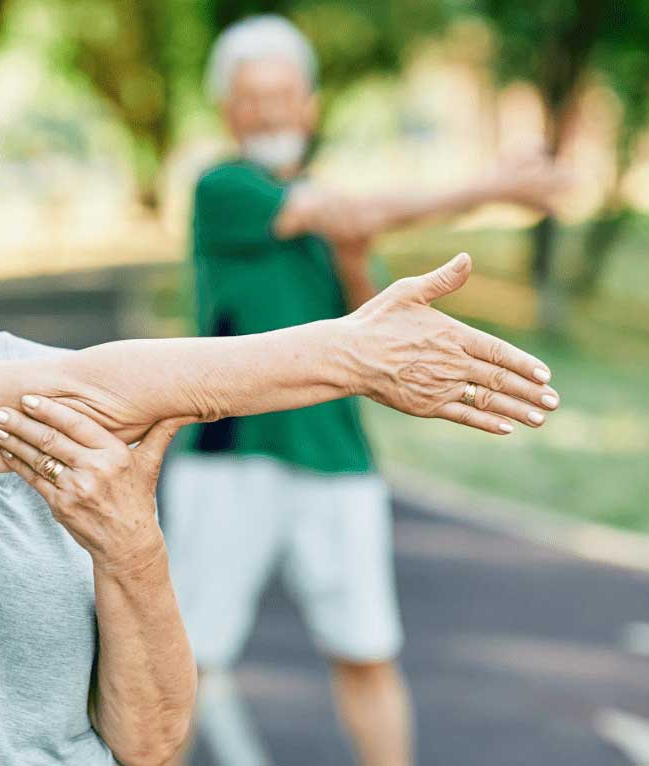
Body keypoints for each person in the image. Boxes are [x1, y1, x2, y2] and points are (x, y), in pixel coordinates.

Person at [0, 12, 560, 766]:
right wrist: (351, 355)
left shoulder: (77, 396)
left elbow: (146, 742)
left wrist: (132, 549)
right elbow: (83, 391)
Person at [160, 15, 568, 766]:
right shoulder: (225, 189)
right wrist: (490, 187)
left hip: (335, 458)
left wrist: (354, 254)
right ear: (227, 111)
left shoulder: (333, 211)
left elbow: (369, 313)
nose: (272, 111)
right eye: (253, 98)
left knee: (367, 655)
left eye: (285, 95)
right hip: (230, 457)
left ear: (311, 106)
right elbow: (336, 209)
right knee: (183, 663)